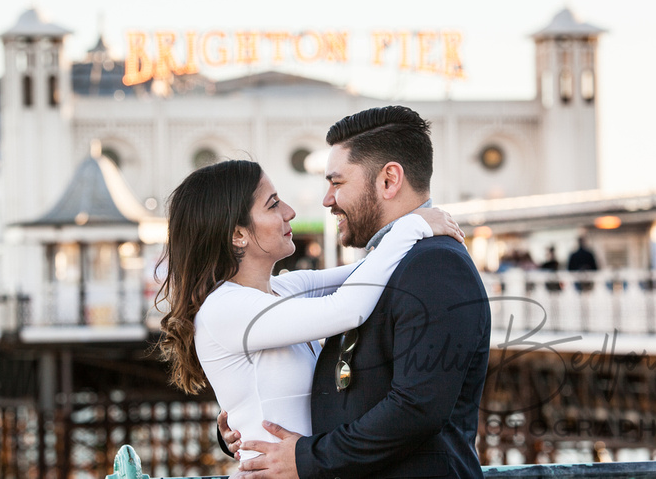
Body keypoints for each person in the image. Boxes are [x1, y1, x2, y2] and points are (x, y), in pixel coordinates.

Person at [155, 159, 463, 474]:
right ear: (237, 235)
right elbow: (348, 309)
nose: (290, 211)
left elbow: (365, 274)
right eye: (273, 204)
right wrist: (414, 224)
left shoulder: (280, 290)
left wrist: (413, 225)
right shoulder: (225, 308)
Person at [231, 106, 491, 479]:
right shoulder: (388, 262)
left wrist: (307, 458)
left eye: (337, 183)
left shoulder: (435, 266)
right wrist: (245, 422)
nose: (327, 200)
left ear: (389, 181)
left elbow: (417, 408)